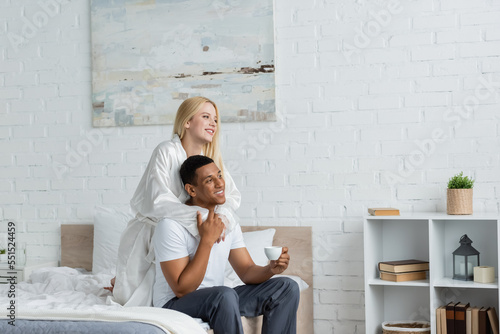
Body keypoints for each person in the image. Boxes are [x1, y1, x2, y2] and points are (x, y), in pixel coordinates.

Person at [111, 97, 241, 306]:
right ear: (187, 122)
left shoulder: (209, 159)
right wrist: (207, 220)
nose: (213, 123)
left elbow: (232, 197)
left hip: (186, 240)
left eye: (215, 119)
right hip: (156, 236)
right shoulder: (166, 151)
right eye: (206, 117)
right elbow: (158, 201)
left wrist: (221, 220)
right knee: (132, 298)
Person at [153, 155, 300, 334]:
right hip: (175, 304)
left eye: (219, 176)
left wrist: (270, 269)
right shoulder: (171, 225)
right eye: (209, 180)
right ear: (191, 190)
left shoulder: (226, 220)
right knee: (224, 294)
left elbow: (246, 271)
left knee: (286, 287)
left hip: (220, 300)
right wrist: (206, 241)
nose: (220, 183)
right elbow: (182, 289)